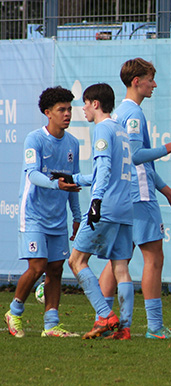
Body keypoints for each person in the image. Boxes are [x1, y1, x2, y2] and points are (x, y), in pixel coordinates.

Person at [98, 57, 171, 340]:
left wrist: (167, 191)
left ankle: (104, 320)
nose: (154, 84)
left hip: (122, 195)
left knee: (117, 260)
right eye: (150, 79)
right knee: (153, 258)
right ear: (136, 82)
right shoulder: (133, 114)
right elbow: (136, 157)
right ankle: (155, 327)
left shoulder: (119, 113)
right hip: (138, 196)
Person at [5, 86, 81, 338]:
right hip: (34, 214)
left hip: (58, 217)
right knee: (37, 266)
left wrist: (77, 216)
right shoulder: (34, 139)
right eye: (62, 110)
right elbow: (33, 174)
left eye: (69, 109)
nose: (67, 114)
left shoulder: (72, 143)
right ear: (48, 113)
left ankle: (51, 325)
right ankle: (14, 312)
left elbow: (72, 182)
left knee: (56, 269)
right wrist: (55, 183)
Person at [68, 83, 134, 340]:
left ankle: (105, 316)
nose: (82, 109)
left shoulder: (102, 128)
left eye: (85, 103)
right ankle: (125, 328)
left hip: (105, 206)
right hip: (124, 208)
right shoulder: (120, 130)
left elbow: (104, 168)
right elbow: (99, 173)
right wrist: (74, 178)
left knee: (76, 261)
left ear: (95, 104)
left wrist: (95, 200)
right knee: (121, 267)